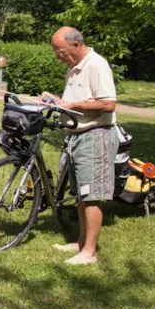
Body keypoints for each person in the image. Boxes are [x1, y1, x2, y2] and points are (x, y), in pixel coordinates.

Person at [40, 27, 118, 265]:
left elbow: (108, 104)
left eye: (60, 51)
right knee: (82, 194)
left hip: (95, 135)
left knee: (92, 195)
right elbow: (74, 102)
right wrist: (56, 101)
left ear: (75, 45)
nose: (58, 57)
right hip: (77, 135)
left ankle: (90, 253)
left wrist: (72, 104)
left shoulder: (96, 64)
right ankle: (81, 242)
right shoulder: (74, 68)